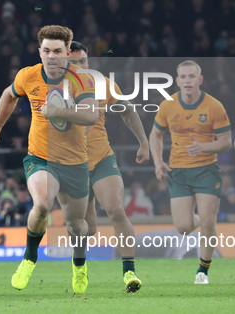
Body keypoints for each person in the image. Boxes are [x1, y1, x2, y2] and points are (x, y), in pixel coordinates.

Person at [0, 25, 99, 294]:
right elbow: (8, 95)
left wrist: (60, 112)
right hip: (40, 157)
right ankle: (29, 257)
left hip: (75, 161)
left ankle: (79, 264)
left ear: (68, 53)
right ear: (39, 51)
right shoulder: (28, 75)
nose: (51, 56)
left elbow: (91, 115)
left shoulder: (82, 78)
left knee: (76, 225)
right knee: (43, 203)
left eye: (57, 51)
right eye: (46, 51)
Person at [69, 41, 149, 292]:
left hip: (102, 158)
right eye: (73, 63)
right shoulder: (54, 89)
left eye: (83, 61)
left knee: (116, 209)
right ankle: (79, 265)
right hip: (72, 165)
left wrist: (143, 142)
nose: (80, 67)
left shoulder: (102, 84)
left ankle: (129, 273)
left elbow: (127, 111)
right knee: (86, 229)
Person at [149, 60, 232, 284]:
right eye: (183, 77)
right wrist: (158, 162)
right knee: (184, 227)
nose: (187, 81)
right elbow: (155, 135)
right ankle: (201, 219)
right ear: (177, 81)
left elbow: (226, 142)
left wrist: (203, 147)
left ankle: (202, 271)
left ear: (200, 79)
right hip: (179, 171)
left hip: (206, 169)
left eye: (191, 76)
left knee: (207, 223)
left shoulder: (214, 106)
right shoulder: (168, 105)